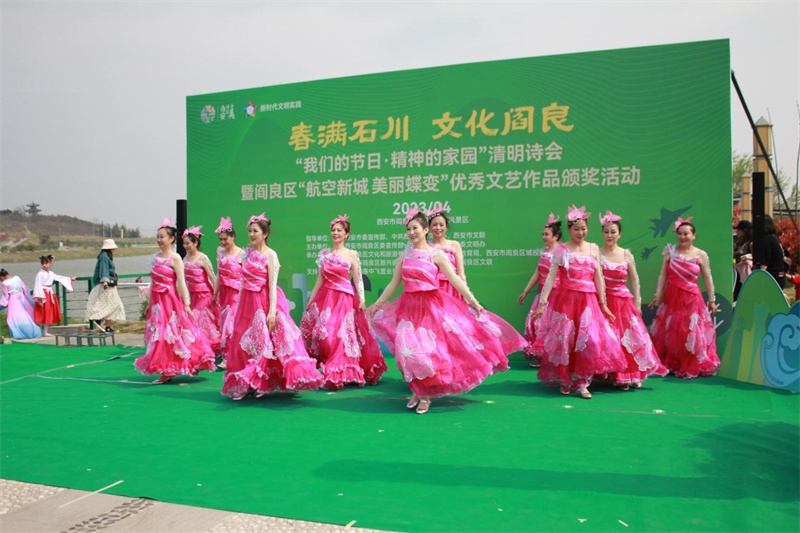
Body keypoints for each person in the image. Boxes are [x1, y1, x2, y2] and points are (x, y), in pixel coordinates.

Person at [367, 209, 525, 414]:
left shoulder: (436, 256)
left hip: (430, 309)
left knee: (427, 352)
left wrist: (472, 301)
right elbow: (393, 283)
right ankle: (416, 389)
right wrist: (378, 304)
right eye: (408, 229)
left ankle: (425, 394)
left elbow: (456, 279)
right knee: (407, 352)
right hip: (408, 309)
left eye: (415, 228)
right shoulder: (404, 255)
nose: (411, 233)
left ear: (425, 230)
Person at [222, 214, 323, 399]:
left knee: (266, 341)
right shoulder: (247, 254)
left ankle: (262, 382)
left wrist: (271, 312)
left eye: (256, 231)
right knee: (245, 342)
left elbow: (272, 285)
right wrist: (238, 306)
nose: (252, 234)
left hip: (264, 302)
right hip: (246, 304)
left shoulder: (271, 255)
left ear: (265, 233)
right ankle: (248, 382)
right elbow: (243, 282)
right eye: (250, 231)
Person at [531, 205, 626, 399]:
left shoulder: (593, 248)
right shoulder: (562, 250)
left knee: (590, 340)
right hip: (567, 301)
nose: (580, 232)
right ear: (569, 230)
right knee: (566, 341)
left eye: (583, 228)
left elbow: (598, 277)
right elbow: (551, 277)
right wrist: (542, 303)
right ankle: (565, 379)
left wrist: (603, 304)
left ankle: (583, 382)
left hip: (589, 303)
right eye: (576, 229)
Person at [301, 214, 387, 389]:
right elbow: (319, 279)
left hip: (345, 298)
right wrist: (311, 300)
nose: (335, 233)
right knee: (324, 333)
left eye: (339, 230)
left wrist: (362, 299)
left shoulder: (351, 254)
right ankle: (334, 366)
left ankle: (341, 371)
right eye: (333, 230)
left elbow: (358, 278)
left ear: (346, 234)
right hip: (327, 298)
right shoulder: (324, 254)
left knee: (341, 334)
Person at [134, 218, 216, 384]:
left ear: (171, 239)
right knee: (159, 335)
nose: (159, 239)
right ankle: (166, 369)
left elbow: (182, 282)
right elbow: (154, 281)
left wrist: (186, 304)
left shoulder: (176, 258)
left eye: (162, 236)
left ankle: (176, 367)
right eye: (158, 236)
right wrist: (149, 303)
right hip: (157, 301)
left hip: (170, 300)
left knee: (172, 333)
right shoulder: (156, 258)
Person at [598, 211, 666, 389]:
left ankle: (630, 373)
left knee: (630, 337)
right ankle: (612, 372)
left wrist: (637, 302)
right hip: (604, 302)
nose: (610, 235)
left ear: (620, 234)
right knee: (609, 337)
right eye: (606, 232)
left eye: (613, 232)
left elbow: (634, 279)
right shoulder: (596, 254)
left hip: (624, 302)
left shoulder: (626, 254)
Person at [648, 216, 720, 378]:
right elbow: (663, 275)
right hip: (672, 297)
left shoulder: (701, 255)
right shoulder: (670, 252)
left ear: (694, 235)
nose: (682, 237)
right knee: (673, 330)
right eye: (679, 233)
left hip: (692, 298)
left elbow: (707, 277)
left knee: (690, 330)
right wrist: (658, 294)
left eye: (686, 234)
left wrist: (712, 300)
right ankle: (674, 363)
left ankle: (692, 363)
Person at [517, 213, 564, 368]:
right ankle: (540, 356)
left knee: (550, 326)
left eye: (547, 234)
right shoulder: (544, 251)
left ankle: (552, 358)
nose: (544, 237)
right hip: (541, 294)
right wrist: (525, 291)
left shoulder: (562, 253)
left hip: (555, 296)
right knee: (534, 323)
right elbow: (538, 272)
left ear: (556, 236)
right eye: (543, 234)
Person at [182, 225, 221, 354]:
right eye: (184, 243)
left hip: (204, 295)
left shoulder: (202, 258)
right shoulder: (185, 259)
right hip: (193, 295)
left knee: (201, 320)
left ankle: (207, 348)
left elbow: (213, 277)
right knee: (194, 321)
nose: (186, 246)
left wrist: (216, 295)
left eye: (188, 243)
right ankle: (202, 348)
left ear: (195, 243)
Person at [213, 216, 245, 369]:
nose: (223, 242)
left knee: (231, 325)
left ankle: (230, 357)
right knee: (225, 324)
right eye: (221, 239)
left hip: (237, 295)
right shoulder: (221, 253)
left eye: (225, 239)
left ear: (233, 236)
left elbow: (246, 276)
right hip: (224, 295)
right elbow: (219, 275)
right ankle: (230, 355)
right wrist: (215, 294)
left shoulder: (242, 254)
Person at [85, 239, 126, 332]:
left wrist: (113, 273)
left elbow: (107, 269)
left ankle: (106, 325)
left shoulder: (106, 255)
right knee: (112, 304)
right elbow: (104, 269)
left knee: (109, 304)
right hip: (106, 285)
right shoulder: (104, 256)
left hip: (108, 284)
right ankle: (100, 320)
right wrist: (105, 280)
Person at [427, 208, 466, 299]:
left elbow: (461, 273)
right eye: (435, 225)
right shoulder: (426, 246)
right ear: (429, 228)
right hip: (432, 288)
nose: (438, 228)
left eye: (441, 225)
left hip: (452, 288)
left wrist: (465, 294)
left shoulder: (454, 245)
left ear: (446, 227)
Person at [33, 255, 74, 337]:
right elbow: (37, 285)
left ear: (50, 263)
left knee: (48, 312)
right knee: (41, 313)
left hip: (49, 294)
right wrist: (39, 298)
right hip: (42, 294)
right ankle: (38, 331)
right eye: (43, 263)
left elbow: (59, 277)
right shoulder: (40, 274)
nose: (44, 265)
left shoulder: (51, 273)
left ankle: (45, 331)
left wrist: (70, 279)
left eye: (46, 263)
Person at [0, 269, 42, 339]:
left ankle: (19, 334)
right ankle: (34, 331)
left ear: (1, 277)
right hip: (22, 298)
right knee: (27, 315)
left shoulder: (5, 283)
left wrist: (2, 303)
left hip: (13, 300)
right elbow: (25, 288)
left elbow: (6, 296)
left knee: (14, 318)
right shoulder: (17, 278)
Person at [763, 215, 787, 288]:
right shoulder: (775, 238)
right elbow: (787, 253)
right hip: (780, 275)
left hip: (772, 277)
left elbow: (765, 260)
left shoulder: (766, 239)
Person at [733, 220, 753, 301]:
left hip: (746, 273)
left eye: (738, 230)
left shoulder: (750, 243)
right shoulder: (738, 242)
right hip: (738, 271)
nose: (736, 232)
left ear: (744, 231)